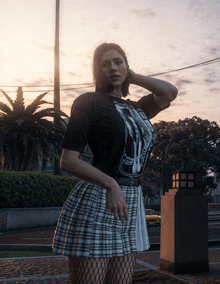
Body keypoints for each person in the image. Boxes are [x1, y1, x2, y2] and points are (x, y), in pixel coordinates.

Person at [52, 43, 178, 284]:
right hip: (100, 197)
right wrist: (110, 184)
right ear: (97, 70)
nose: (113, 68)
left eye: (118, 62)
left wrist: (133, 76)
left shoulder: (138, 108)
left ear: (126, 66)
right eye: (105, 64)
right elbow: (68, 160)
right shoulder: (88, 102)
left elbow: (169, 92)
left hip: (131, 203)